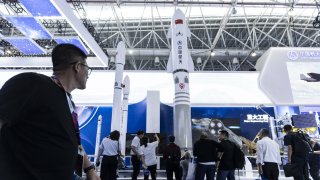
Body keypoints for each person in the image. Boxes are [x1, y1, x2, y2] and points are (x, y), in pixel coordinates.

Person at [0, 44, 99, 180]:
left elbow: (75, 142)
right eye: (87, 68)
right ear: (77, 67)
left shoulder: (67, 101)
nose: (88, 74)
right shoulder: (33, 83)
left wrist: (89, 169)